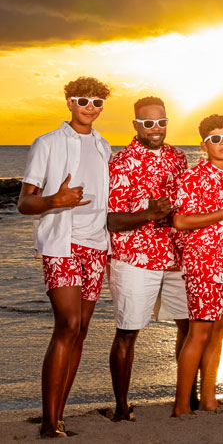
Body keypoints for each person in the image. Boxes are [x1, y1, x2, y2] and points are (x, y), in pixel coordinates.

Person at [18, 77, 112, 438]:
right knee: (68, 325)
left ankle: (57, 418)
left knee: (82, 331)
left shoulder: (104, 147)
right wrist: (55, 201)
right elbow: (25, 202)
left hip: (96, 245)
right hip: (63, 243)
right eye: (83, 100)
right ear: (69, 102)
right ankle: (46, 422)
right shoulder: (47, 144)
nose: (90, 106)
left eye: (97, 101)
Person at [106, 96, 190, 422]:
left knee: (188, 326)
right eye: (149, 123)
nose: (156, 129)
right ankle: (121, 407)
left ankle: (186, 400)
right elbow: (112, 221)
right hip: (134, 258)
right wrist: (149, 214)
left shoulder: (178, 157)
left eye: (162, 122)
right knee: (128, 332)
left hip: (175, 256)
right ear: (136, 125)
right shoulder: (120, 162)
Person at [171, 116, 223, 416]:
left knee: (218, 331)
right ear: (204, 144)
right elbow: (180, 221)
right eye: (215, 139)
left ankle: (209, 398)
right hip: (204, 264)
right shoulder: (194, 177)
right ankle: (181, 406)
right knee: (199, 332)